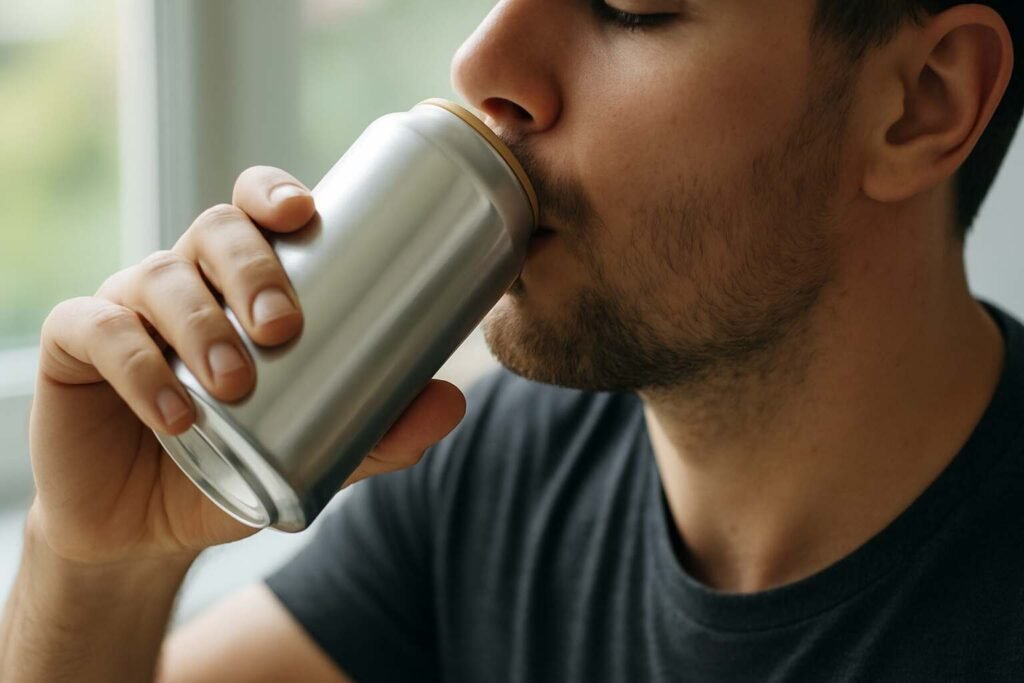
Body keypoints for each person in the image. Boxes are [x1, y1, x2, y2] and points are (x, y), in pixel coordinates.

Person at [2, 0, 1023, 680]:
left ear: (920, 103)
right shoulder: (499, 464)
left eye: (629, 7)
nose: (482, 59)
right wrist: (98, 565)